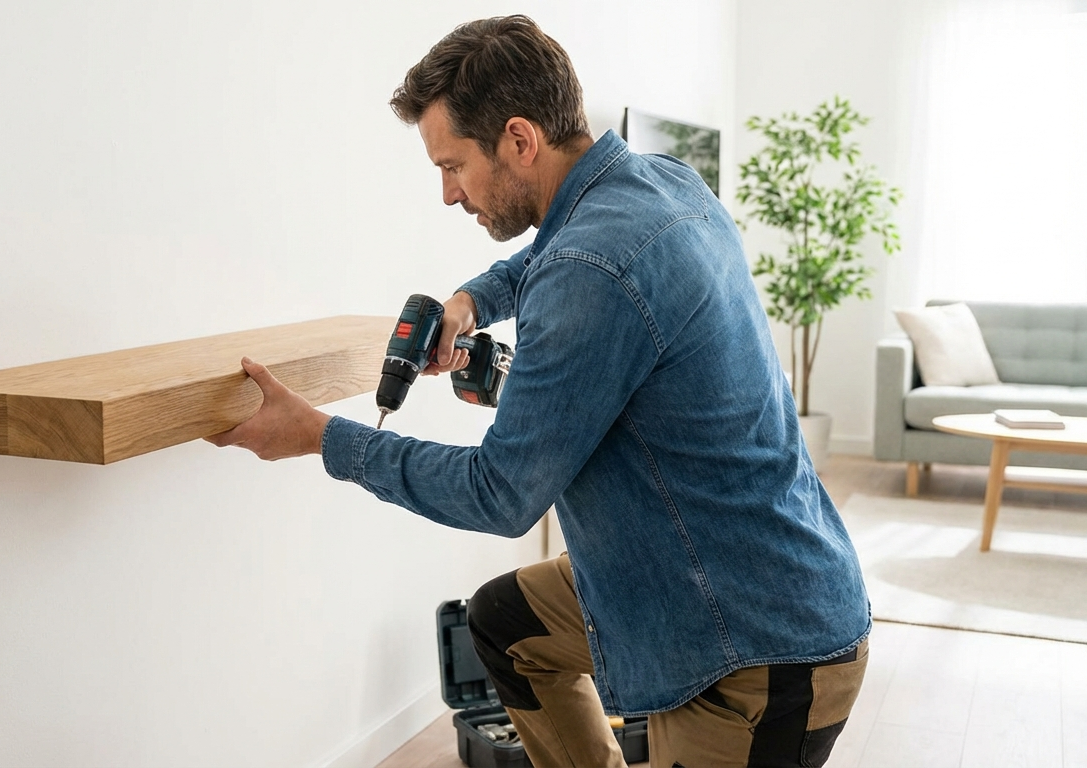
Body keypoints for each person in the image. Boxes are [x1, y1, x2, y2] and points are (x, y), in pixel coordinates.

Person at [207, 15, 870, 768]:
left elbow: (499, 494)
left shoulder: (590, 269)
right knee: (504, 624)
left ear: (520, 140)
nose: (449, 195)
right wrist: (470, 301)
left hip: (753, 651)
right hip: (731, 568)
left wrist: (323, 438)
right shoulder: (658, 183)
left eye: (454, 166)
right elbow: (548, 259)